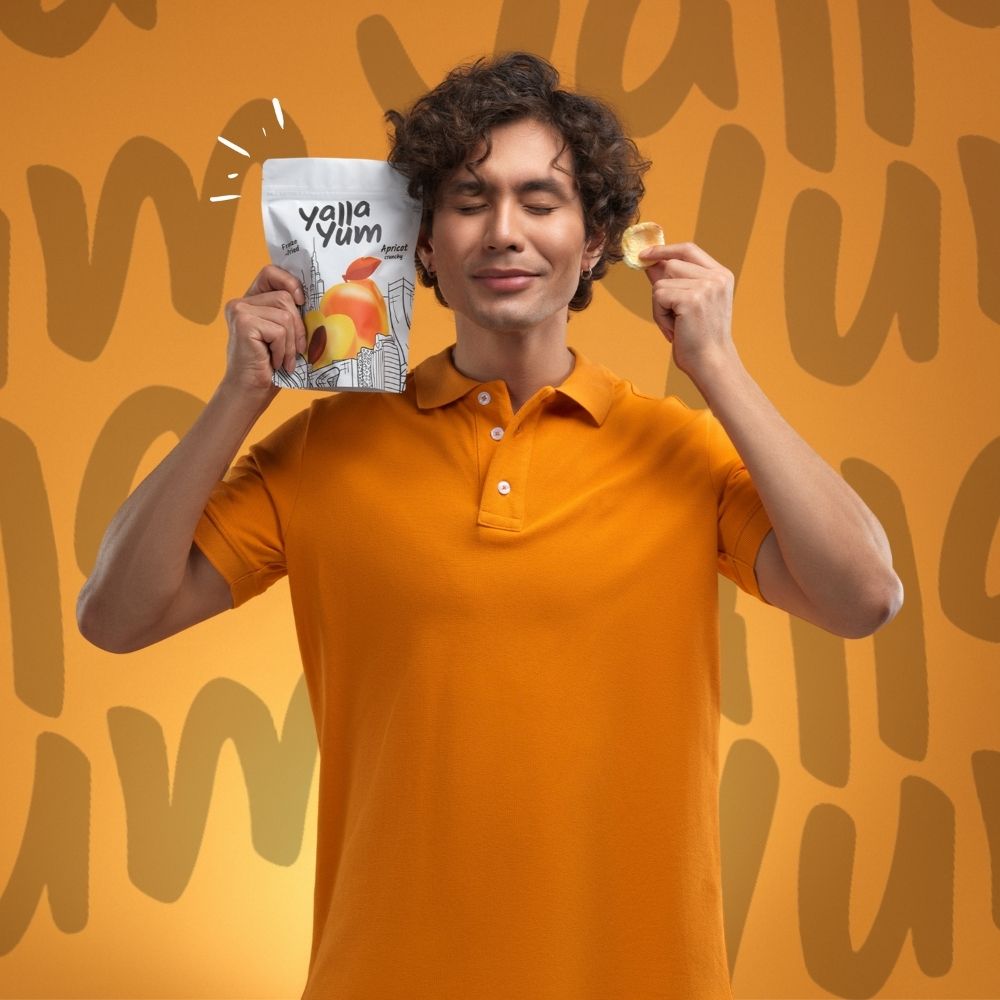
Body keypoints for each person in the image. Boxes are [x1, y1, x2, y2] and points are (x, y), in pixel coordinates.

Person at [78, 52, 902, 999]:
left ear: (595, 241)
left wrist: (718, 367)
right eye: (470, 199)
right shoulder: (322, 450)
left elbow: (865, 597)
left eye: (541, 200)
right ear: (423, 244)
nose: (504, 231)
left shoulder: (685, 452)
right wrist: (238, 396)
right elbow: (115, 615)